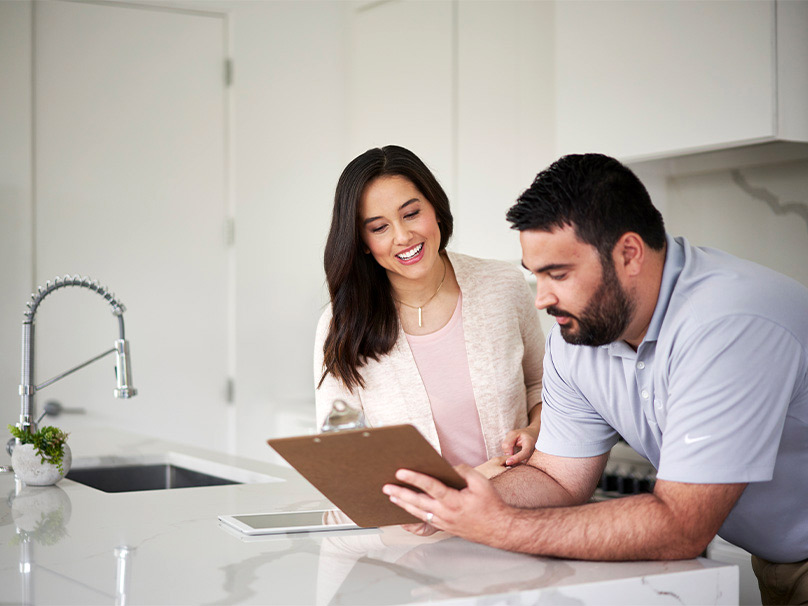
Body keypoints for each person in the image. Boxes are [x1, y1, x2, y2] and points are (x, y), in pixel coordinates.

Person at [383, 153, 808, 605]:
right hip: (776, 560)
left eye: (558, 274)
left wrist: (502, 525)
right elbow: (557, 477)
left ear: (629, 254)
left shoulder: (729, 324)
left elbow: (681, 526)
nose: (542, 299)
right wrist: (457, 501)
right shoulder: (579, 336)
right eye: (536, 275)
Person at [314, 145, 544, 472]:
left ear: (434, 207)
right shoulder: (342, 324)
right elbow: (342, 456)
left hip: (521, 498)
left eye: (411, 214)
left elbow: (543, 386)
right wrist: (463, 484)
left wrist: (535, 430)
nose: (403, 236)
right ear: (362, 241)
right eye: (379, 228)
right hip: (413, 507)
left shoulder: (502, 285)